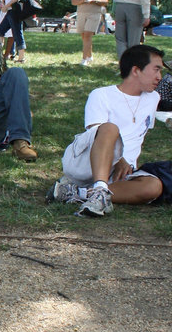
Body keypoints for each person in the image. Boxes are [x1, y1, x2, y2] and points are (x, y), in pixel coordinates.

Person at [47, 44, 164, 217]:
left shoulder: (153, 98)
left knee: (154, 187)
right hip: (88, 162)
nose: (159, 77)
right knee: (110, 128)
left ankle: (79, 193)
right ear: (136, 70)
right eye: (156, 69)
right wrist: (120, 160)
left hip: (123, 173)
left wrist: (127, 165)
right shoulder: (102, 94)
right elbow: (96, 134)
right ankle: (99, 188)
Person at [71, 0, 108, 65]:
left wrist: (95, 1)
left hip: (94, 13)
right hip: (81, 13)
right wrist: (81, 0)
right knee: (84, 36)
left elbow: (106, 1)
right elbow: (73, 1)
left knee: (88, 35)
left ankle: (84, 60)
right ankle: (89, 55)